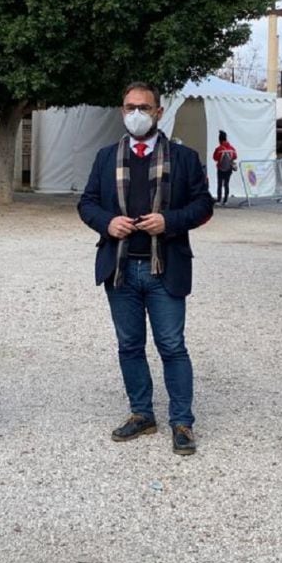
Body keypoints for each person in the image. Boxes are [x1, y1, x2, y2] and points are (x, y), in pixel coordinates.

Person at [78, 82, 214, 455]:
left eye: (143, 107)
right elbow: (87, 203)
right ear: (122, 111)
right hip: (120, 269)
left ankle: (182, 421)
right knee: (129, 345)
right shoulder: (107, 156)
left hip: (164, 267)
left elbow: (204, 205)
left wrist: (168, 221)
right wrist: (108, 223)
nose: (135, 114)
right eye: (129, 107)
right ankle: (142, 413)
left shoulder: (183, 158)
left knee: (172, 345)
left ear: (158, 111)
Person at [212, 130, 238, 205]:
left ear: (220, 140)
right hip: (229, 169)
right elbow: (235, 156)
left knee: (219, 184)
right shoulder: (232, 148)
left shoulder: (219, 149)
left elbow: (215, 158)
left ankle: (219, 199)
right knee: (226, 184)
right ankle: (225, 200)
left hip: (220, 169)